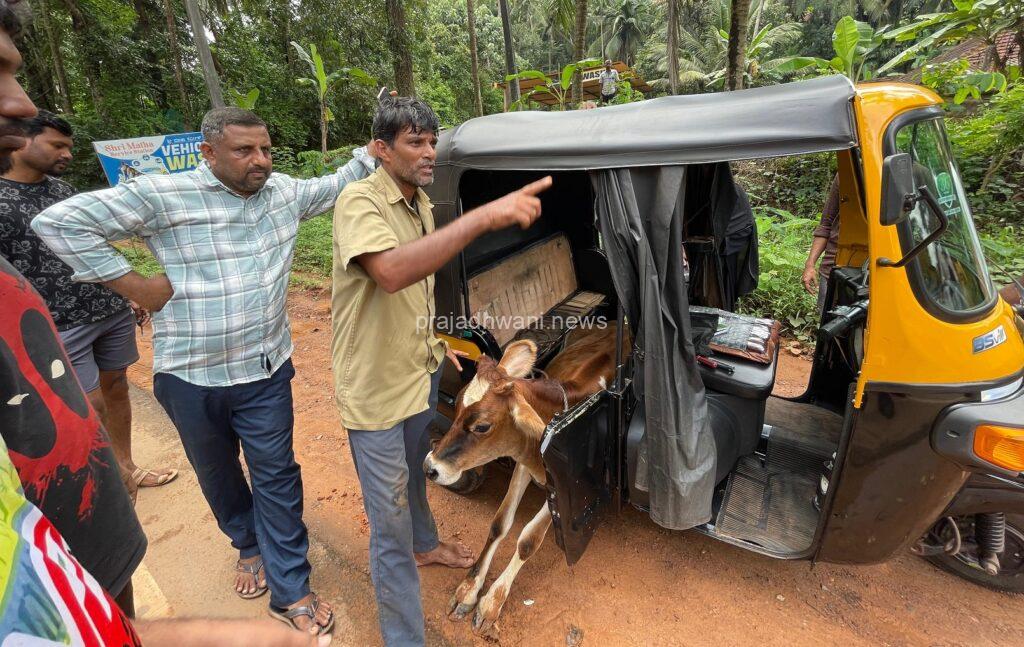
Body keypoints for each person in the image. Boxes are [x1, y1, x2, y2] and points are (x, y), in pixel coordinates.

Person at [32, 106, 376, 635]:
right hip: (190, 376)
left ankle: (291, 588)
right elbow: (59, 223)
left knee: (277, 474)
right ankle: (246, 544)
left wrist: (373, 147)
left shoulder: (281, 191)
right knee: (216, 471)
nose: (259, 161)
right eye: (244, 151)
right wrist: (136, 287)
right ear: (209, 152)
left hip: (264, 369)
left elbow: (333, 185)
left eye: (264, 149)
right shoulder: (163, 195)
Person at [332, 96, 552, 646]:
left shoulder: (421, 205)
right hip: (379, 392)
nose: (429, 152)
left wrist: (436, 339)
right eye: (415, 142)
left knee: (421, 468)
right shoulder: (359, 202)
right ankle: (404, 637)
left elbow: (417, 293)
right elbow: (388, 273)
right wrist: (485, 216)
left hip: (420, 371)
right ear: (380, 149)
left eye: (432, 141)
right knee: (388, 527)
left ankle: (426, 546)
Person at [0, 109, 179, 496]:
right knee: (87, 404)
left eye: (69, 146)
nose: (66, 154)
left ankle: (127, 465)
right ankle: (114, 484)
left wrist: (130, 293)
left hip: (106, 309)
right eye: (57, 145)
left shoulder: (61, 192)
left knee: (116, 388)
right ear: (20, 140)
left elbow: (98, 250)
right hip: (54, 323)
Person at [803, 174, 841, 311]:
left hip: (878, 269)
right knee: (828, 325)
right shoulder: (845, 173)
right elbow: (826, 223)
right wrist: (810, 264)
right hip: (833, 267)